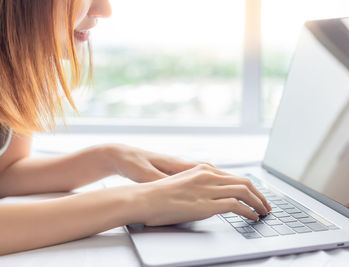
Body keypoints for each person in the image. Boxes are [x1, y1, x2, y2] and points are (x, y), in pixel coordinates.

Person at [0, 0, 271, 255]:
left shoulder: (12, 70)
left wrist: (110, 157)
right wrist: (138, 201)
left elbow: (6, 172)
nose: (104, 10)